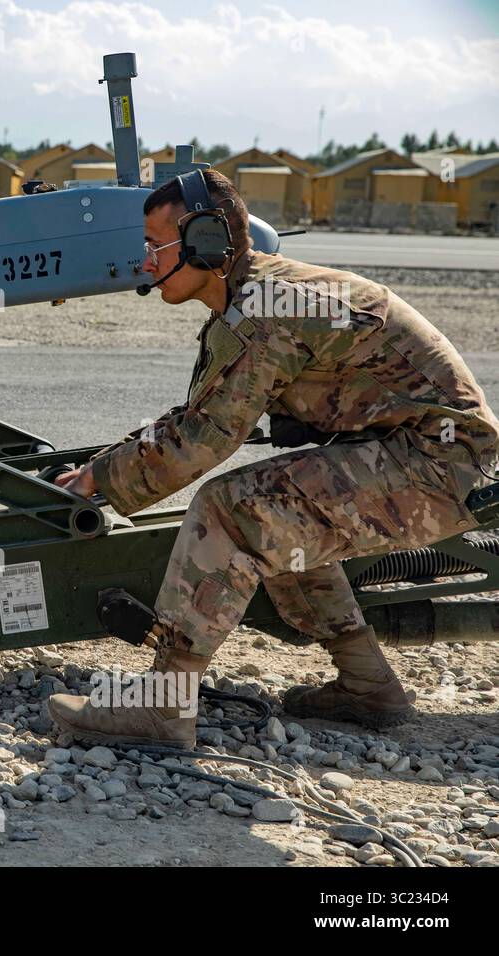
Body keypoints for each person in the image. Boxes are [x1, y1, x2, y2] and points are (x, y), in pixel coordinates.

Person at [47, 169, 499, 748]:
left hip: (440, 464)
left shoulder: (263, 311)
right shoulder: (254, 298)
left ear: (205, 242)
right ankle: (367, 685)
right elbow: (202, 413)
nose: (146, 263)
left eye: (155, 246)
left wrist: (99, 479)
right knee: (282, 512)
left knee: (233, 509)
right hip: (429, 454)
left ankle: (163, 707)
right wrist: (108, 465)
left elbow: (205, 438)